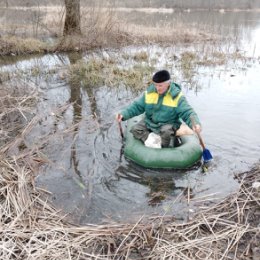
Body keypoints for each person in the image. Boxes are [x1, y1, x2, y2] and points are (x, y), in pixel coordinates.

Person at [116, 69, 202, 148]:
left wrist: (195, 124)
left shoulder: (177, 96)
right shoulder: (149, 93)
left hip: (168, 124)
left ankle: (165, 147)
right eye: (155, 85)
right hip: (151, 122)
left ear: (168, 83)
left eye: (160, 85)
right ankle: (152, 140)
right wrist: (124, 114)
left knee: (166, 132)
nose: (157, 88)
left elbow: (187, 112)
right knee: (135, 130)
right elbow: (137, 106)